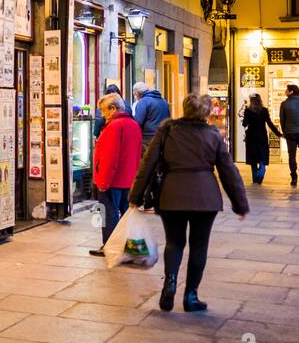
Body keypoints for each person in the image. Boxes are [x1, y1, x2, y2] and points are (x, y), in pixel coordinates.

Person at [131, 93, 248, 312]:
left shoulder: (167, 130)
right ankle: (191, 296)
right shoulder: (213, 135)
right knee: (199, 246)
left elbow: (147, 164)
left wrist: (135, 196)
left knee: (174, 243)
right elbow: (228, 171)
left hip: (171, 195)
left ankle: (170, 282)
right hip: (205, 198)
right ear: (206, 112)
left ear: (184, 108)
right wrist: (240, 204)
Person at [89, 92, 142, 256]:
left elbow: (109, 158)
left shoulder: (114, 127)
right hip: (128, 179)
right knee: (126, 215)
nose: (103, 115)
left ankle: (110, 247)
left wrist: (103, 182)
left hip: (112, 180)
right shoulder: (133, 124)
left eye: (104, 111)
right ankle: (127, 247)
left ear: (113, 108)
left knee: (108, 215)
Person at [241, 93, 282, 185]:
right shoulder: (264, 110)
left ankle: (255, 179)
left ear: (251, 101)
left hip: (251, 137)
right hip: (262, 137)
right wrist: (278, 134)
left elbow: (244, 124)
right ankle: (261, 173)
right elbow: (270, 123)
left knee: (253, 159)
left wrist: (246, 116)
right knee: (262, 157)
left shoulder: (248, 111)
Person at [132, 82, 171, 148]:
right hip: (164, 138)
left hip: (148, 139)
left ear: (137, 94)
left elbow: (137, 122)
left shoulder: (143, 102)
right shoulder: (164, 101)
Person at [279, 83, 299, 187]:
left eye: (287, 90)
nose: (285, 92)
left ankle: (294, 177)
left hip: (290, 132)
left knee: (291, 155)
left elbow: (282, 120)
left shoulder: (284, 104)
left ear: (291, 91)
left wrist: (284, 131)